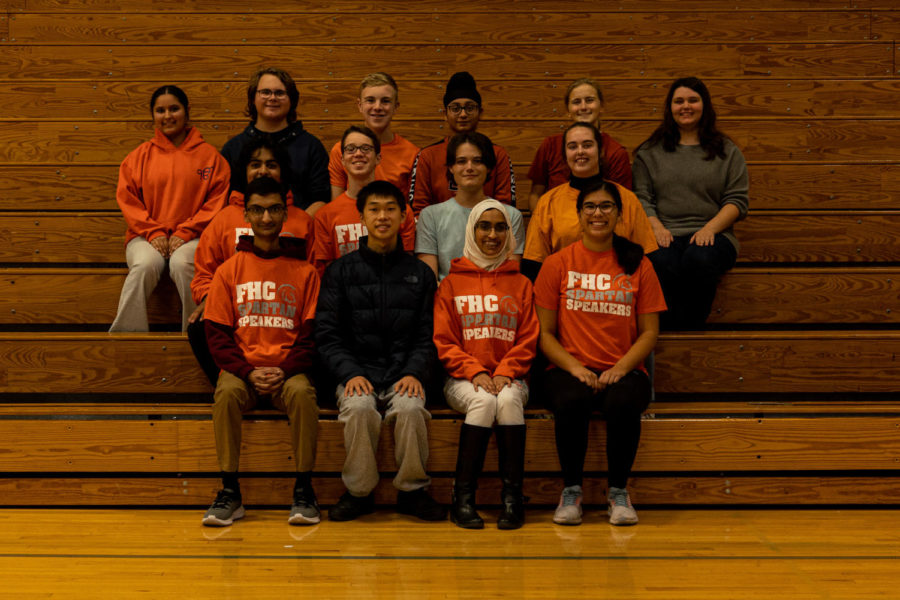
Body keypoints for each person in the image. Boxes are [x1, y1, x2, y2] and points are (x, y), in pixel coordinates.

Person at [534, 179, 666, 526]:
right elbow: (544, 334)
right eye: (590, 206)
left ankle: (619, 493)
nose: (598, 213)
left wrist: (621, 368)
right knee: (572, 400)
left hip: (624, 369)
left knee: (623, 402)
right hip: (567, 368)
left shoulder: (639, 265)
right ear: (579, 214)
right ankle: (571, 493)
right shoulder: (556, 264)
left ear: (619, 215)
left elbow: (650, 332)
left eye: (606, 206)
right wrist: (575, 368)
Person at [315, 180, 445, 522]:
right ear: (362, 217)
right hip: (358, 371)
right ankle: (359, 492)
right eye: (374, 209)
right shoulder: (339, 272)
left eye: (390, 209)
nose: (382, 216)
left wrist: (415, 372)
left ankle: (413, 491)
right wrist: (350, 373)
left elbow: (429, 334)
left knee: (411, 409)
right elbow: (327, 335)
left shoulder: (421, 274)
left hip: (405, 372)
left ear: (404, 216)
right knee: (358, 408)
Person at [201, 176, 321, 527]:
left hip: (288, 371)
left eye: (273, 210)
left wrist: (286, 370)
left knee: (302, 394)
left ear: (285, 214)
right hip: (244, 371)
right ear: (246, 216)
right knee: (224, 394)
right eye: (257, 210)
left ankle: (303, 489)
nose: (266, 218)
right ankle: (229, 491)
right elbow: (217, 336)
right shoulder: (228, 271)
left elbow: (311, 336)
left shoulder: (306, 272)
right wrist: (247, 372)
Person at [433, 199, 539, 530]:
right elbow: (444, 340)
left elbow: (528, 339)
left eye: (500, 227)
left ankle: (512, 499)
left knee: (505, 399)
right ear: (472, 230)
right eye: (484, 226)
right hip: (462, 379)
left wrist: (505, 372)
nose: (492, 234)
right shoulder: (450, 283)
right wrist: (476, 371)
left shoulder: (521, 283)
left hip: (512, 377)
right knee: (482, 399)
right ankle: (462, 499)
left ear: (509, 234)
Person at [189, 137, 315, 384]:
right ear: (244, 171)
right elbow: (204, 272)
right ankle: (238, 383)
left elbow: (315, 272)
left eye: (271, 164)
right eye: (255, 164)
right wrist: (210, 297)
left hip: (285, 312)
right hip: (236, 310)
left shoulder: (302, 221)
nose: (263, 171)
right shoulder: (224, 219)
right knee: (199, 327)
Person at [632, 76, 749, 330]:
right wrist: (656, 227)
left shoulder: (727, 151)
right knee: (661, 262)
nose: (686, 106)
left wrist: (709, 229)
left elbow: (737, 201)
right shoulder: (649, 152)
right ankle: (672, 334)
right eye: (679, 101)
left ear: (704, 105)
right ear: (670, 107)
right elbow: (642, 197)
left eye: (693, 100)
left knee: (699, 258)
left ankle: (689, 332)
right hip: (664, 233)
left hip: (714, 235)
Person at [110, 85, 229, 332]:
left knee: (183, 264)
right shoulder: (138, 157)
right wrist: (153, 232)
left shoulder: (211, 157)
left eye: (174, 108)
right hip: (144, 237)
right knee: (144, 265)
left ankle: (196, 332)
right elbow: (128, 200)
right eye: (160, 110)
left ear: (187, 112)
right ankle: (126, 336)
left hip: (194, 237)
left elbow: (216, 202)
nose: (168, 116)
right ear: (153, 115)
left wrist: (185, 232)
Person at [522, 121, 657, 281]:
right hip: (565, 291)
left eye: (587, 145)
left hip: (618, 292)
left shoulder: (627, 198)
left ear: (600, 151)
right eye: (572, 147)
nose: (580, 152)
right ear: (565, 155)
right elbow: (534, 263)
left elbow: (647, 256)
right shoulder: (548, 201)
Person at [416, 131, 525, 282]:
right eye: (461, 161)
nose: (469, 167)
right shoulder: (430, 216)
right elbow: (429, 280)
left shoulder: (511, 216)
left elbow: (510, 278)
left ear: (489, 167)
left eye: (477, 161)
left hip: (495, 299)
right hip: (447, 300)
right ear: (451, 167)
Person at [221, 67, 330, 216]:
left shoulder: (311, 146)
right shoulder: (234, 148)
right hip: (244, 232)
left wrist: (294, 227)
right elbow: (226, 199)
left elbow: (321, 198)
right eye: (265, 92)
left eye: (280, 93)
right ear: (253, 98)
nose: (272, 98)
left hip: (298, 234)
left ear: (292, 100)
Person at [310, 125, 416, 275]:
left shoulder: (400, 211)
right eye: (351, 149)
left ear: (378, 158)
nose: (358, 154)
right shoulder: (326, 215)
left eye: (366, 148)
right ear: (342, 160)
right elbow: (324, 272)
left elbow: (407, 266)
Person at [408, 71, 517, 217]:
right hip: (438, 234)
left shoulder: (498, 154)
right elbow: (418, 209)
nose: (463, 114)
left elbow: (506, 206)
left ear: (481, 112)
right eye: (455, 108)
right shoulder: (427, 155)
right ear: (444, 114)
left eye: (470, 107)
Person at [527, 78, 632, 211]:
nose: (583, 107)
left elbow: (623, 203)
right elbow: (535, 194)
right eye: (576, 102)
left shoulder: (616, 151)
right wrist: (541, 224)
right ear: (568, 110)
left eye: (589, 100)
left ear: (602, 106)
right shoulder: (550, 145)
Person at [327, 73, 419, 199]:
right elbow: (336, 208)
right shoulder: (342, 150)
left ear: (395, 107)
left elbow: (409, 209)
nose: (377, 107)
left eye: (385, 101)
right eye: (370, 100)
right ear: (360, 105)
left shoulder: (412, 153)